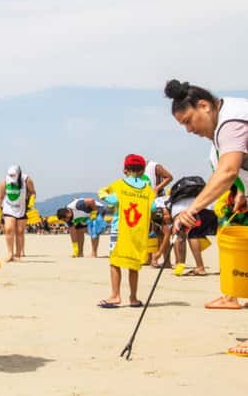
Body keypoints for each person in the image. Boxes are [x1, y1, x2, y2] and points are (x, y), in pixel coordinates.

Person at [164, 80, 248, 356]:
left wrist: (192, 209)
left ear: (204, 106)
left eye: (189, 121)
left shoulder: (230, 121)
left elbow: (227, 172)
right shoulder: (228, 117)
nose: (189, 130)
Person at [97, 154, 156, 308]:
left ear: (125, 169)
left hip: (120, 229)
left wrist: (102, 192)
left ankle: (115, 296)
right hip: (138, 232)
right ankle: (133, 298)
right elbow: (154, 207)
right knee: (133, 265)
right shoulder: (148, 190)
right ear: (143, 170)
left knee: (115, 262)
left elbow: (110, 199)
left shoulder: (120, 185)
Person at [0, 165, 36, 262]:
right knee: (8, 229)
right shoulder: (4, 182)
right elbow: (0, 196)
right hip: (9, 207)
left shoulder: (27, 180)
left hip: (22, 207)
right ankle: (10, 253)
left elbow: (33, 192)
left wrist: (32, 201)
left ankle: (18, 254)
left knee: (20, 231)